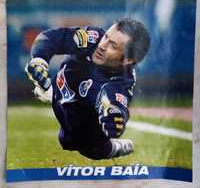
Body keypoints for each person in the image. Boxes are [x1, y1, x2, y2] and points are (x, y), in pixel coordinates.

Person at [25, 18, 150, 160]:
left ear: (127, 59)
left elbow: (113, 104)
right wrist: (39, 59)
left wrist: (113, 117)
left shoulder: (121, 82)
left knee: (93, 149)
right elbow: (53, 38)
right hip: (60, 93)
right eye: (106, 37)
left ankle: (116, 147)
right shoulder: (93, 38)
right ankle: (51, 91)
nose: (103, 45)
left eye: (113, 46)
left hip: (85, 133)